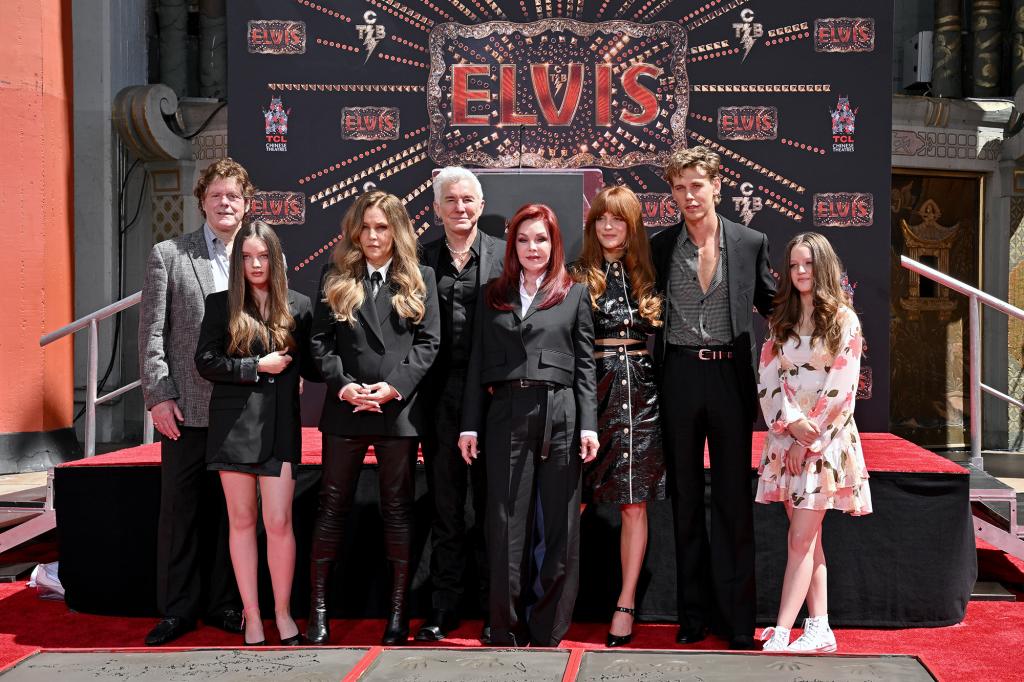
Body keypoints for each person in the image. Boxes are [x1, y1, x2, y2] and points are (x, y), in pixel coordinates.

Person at [650, 146, 776, 650]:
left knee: (732, 502)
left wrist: (827, 326)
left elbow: (774, 306)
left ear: (716, 185)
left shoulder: (749, 242)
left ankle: (738, 620)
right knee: (684, 503)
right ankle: (692, 616)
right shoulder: (660, 247)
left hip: (729, 378)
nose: (688, 196)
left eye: (696, 185)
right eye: (679, 188)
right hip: (678, 377)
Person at [459, 203, 599, 647]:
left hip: (560, 413)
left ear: (554, 244)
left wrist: (589, 426)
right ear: (512, 246)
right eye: (523, 240)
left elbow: (584, 368)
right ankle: (505, 625)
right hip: (506, 412)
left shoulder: (573, 293)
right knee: (504, 524)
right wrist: (469, 426)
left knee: (560, 525)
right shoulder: (492, 294)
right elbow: (476, 362)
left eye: (540, 239)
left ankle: (548, 627)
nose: (532, 247)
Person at [306, 190, 440, 646]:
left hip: (397, 413)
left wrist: (393, 387)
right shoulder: (335, 275)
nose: (373, 235)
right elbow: (319, 343)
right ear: (354, 231)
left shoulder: (420, 277)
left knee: (398, 512)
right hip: (345, 412)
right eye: (365, 227)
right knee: (330, 509)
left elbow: (429, 344)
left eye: (382, 227)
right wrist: (344, 386)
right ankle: (318, 615)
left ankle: (398, 618)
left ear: (397, 230)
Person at [140, 158, 254, 646]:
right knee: (181, 512)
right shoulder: (169, 254)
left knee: (235, 515)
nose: (225, 203)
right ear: (202, 202)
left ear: (246, 204)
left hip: (242, 408)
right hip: (185, 409)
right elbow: (152, 333)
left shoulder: (258, 254)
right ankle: (179, 609)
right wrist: (159, 396)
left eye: (233, 196)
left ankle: (225, 604)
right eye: (216, 196)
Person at [194, 221, 317, 646]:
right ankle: (251, 616)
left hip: (280, 426)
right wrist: (255, 367)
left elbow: (317, 364)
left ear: (276, 258)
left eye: (262, 256)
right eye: (246, 257)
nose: (255, 264)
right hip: (233, 428)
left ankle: (282, 614)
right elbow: (205, 363)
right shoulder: (220, 305)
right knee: (242, 522)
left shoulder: (299, 306)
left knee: (279, 521)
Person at [756, 232, 871, 653]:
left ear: (823, 268)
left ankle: (783, 629)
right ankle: (820, 627)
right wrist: (787, 432)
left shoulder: (844, 320)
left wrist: (810, 437)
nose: (800, 272)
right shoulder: (781, 319)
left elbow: (842, 387)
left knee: (801, 540)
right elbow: (771, 379)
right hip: (786, 443)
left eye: (808, 265)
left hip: (825, 445)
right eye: (793, 265)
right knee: (810, 539)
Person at [572, 186, 666, 648]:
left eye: (619, 220)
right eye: (602, 220)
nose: (610, 227)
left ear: (632, 226)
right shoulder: (574, 275)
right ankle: (553, 596)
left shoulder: (650, 274)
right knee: (574, 499)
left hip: (642, 396)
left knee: (634, 502)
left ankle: (625, 603)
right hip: (591, 392)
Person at [416, 168, 504, 643]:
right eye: (451, 200)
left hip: (492, 396)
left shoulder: (503, 256)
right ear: (436, 208)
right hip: (438, 397)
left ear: (481, 203)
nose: (461, 208)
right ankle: (444, 607)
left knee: (493, 508)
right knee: (446, 508)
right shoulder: (420, 258)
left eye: (468, 199)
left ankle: (495, 609)